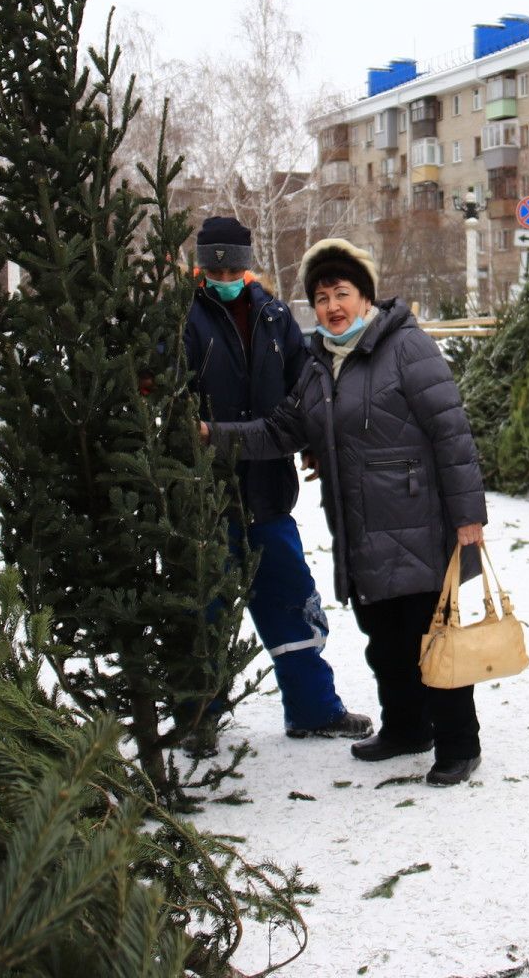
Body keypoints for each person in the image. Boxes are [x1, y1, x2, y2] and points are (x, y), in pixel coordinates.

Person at [203, 238, 489, 787]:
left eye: (342, 293)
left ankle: (459, 743)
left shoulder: (407, 348)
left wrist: (467, 518)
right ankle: (407, 728)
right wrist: (211, 435)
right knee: (384, 641)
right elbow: (279, 430)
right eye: (321, 297)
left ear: (365, 297)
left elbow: (452, 435)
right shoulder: (318, 366)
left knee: (434, 639)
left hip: (418, 521)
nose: (332, 306)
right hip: (360, 529)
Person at [183, 216, 371, 743]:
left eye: (232, 265)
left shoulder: (273, 317)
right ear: (201, 264)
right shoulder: (183, 318)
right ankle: (201, 718)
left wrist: (310, 440)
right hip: (204, 497)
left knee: (292, 602)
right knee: (209, 609)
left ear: (247, 266)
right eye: (214, 265)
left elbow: (300, 385)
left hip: (268, 492)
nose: (223, 273)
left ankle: (313, 709)